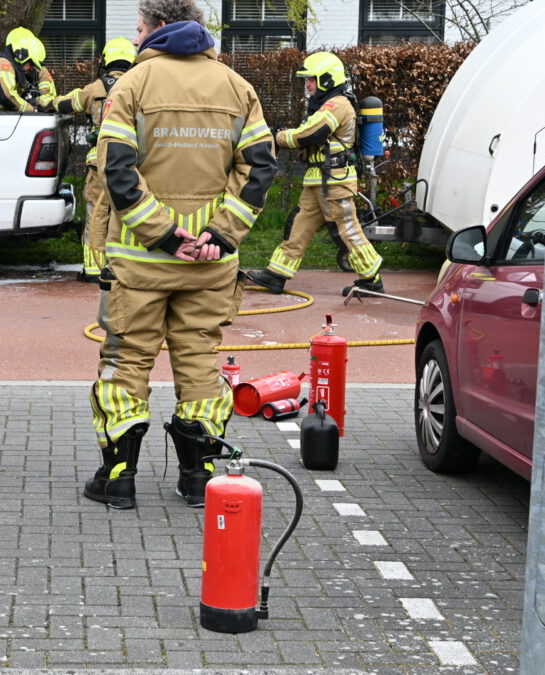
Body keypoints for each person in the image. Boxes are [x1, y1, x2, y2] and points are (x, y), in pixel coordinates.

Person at [84, 0, 277, 509]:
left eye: (141, 26)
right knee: (199, 363)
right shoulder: (237, 88)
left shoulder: (131, 86)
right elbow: (259, 169)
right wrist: (220, 235)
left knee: (125, 363)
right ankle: (200, 477)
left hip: (141, 262)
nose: (137, 36)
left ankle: (118, 477)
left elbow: (118, 172)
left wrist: (165, 235)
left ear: (161, 27)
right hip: (211, 265)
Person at [247, 51, 384, 297]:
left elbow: (309, 134)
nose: (308, 85)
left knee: (348, 229)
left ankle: (372, 278)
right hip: (320, 180)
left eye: (311, 79)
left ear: (327, 80)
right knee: (299, 226)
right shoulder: (325, 104)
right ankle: (276, 275)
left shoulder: (337, 105)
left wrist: (275, 137)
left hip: (335, 181)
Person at [50, 37, 136, 282]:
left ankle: (93, 268)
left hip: (99, 162)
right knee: (128, 211)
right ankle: (123, 266)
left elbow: (66, 104)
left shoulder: (95, 89)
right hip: (131, 162)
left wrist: (46, 102)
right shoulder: (139, 85)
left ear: (106, 61)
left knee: (97, 212)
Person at [0, 27, 56, 113]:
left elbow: (51, 97)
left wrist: (37, 102)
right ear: (21, 56)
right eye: (31, 63)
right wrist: (32, 109)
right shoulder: (2, 64)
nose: (32, 68)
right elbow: (7, 96)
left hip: (12, 117)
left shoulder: (23, 70)